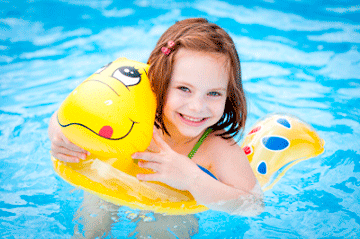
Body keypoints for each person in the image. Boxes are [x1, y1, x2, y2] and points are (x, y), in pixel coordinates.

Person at [48, 18, 264, 238]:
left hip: (172, 209)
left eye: (214, 93)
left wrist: (191, 178)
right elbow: (68, 114)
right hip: (111, 184)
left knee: (162, 228)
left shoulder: (217, 148)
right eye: (183, 88)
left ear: (229, 94)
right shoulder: (136, 114)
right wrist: (60, 136)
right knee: (92, 221)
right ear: (159, 80)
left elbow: (253, 204)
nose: (197, 107)